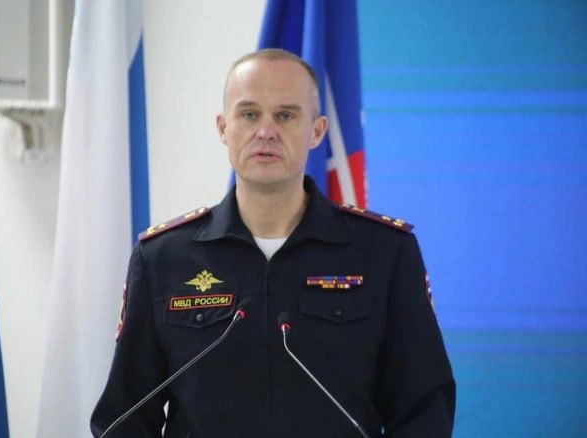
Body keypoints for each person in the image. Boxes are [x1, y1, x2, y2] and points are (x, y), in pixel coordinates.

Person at [91, 48, 455, 437]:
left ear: (317, 131)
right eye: (249, 115)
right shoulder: (163, 258)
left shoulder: (384, 252)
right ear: (223, 128)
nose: (265, 131)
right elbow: (124, 418)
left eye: (285, 115)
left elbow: (423, 410)